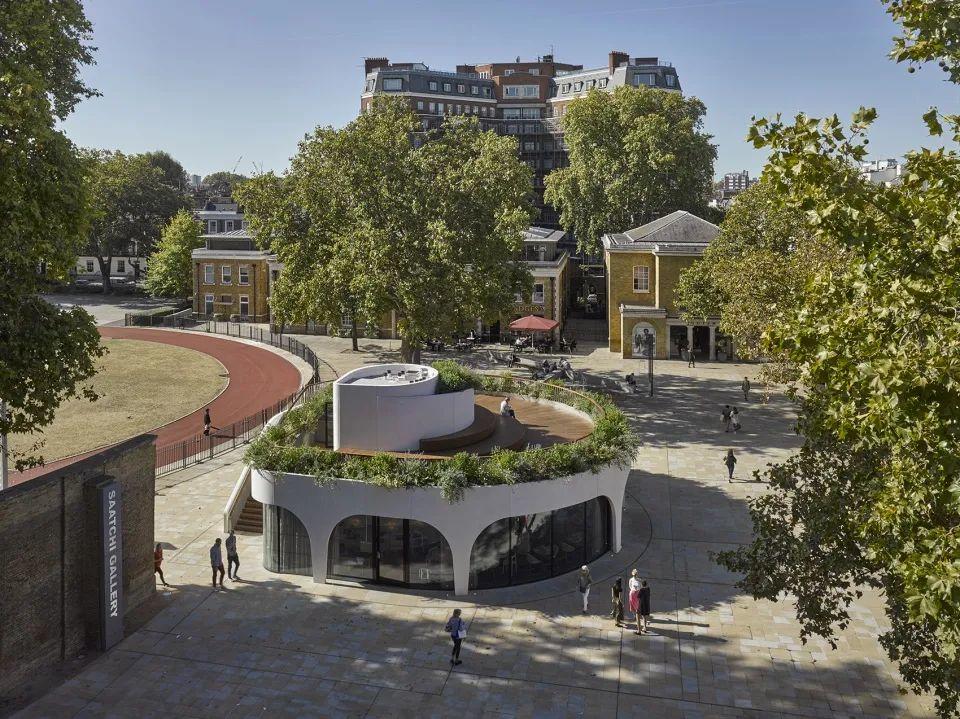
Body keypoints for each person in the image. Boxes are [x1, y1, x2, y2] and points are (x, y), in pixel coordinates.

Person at [628, 569, 642, 634]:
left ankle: (636, 614)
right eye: (634, 575)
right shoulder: (631, 579)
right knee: (632, 604)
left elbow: (641, 586)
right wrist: (633, 590)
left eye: (635, 574)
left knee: (637, 605)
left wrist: (637, 590)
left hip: (637, 593)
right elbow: (630, 586)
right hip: (633, 593)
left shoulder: (639, 580)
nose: (635, 576)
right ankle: (634, 615)